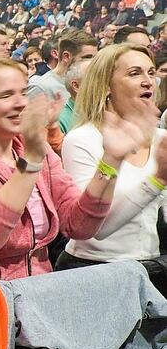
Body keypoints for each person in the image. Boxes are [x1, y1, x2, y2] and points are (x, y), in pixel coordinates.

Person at [0, 59, 138, 280]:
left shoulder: (34, 147)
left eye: (23, 93)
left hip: (40, 289)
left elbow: (79, 225)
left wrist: (111, 160)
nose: (20, 103)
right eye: (6, 95)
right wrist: (31, 160)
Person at [59, 44, 166, 268]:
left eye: (151, 72)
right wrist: (157, 181)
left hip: (152, 266)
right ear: (106, 85)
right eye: (134, 73)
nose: (148, 81)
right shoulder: (82, 140)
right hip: (94, 269)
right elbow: (96, 229)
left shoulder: (162, 139)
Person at [27, 29, 98, 101]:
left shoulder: (91, 83)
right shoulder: (41, 87)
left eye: (95, 58)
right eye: (87, 57)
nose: (93, 62)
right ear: (66, 56)